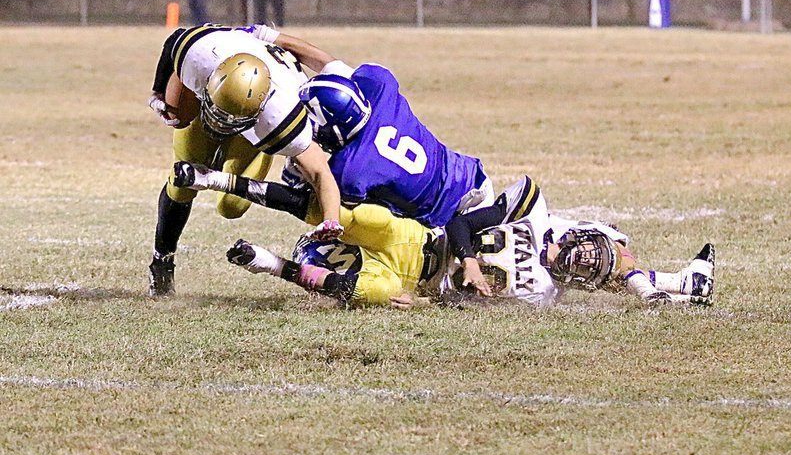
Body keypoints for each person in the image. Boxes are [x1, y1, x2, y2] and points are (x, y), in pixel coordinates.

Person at [171, 162, 716, 310]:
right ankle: (222, 180)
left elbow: (605, 267)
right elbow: (460, 218)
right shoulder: (534, 214)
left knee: (375, 292)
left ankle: (673, 285)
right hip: (419, 237)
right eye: (572, 248)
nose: (566, 258)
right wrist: (471, 259)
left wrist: (647, 283)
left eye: (574, 264)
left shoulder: (544, 293)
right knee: (331, 208)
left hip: (407, 274)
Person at [145, 23, 343, 298]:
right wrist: (158, 91)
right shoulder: (201, 56)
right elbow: (175, 42)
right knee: (181, 183)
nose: (223, 124)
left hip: (254, 128)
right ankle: (162, 260)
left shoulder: (281, 119)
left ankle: (224, 166)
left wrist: (331, 219)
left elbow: (321, 172)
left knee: (231, 207)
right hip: (215, 96)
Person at [266, 34, 495, 228]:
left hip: (453, 220)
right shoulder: (379, 86)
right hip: (473, 178)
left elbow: (315, 193)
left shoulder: (350, 170)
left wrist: (296, 169)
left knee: (348, 226)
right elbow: (327, 62)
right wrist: (269, 36)